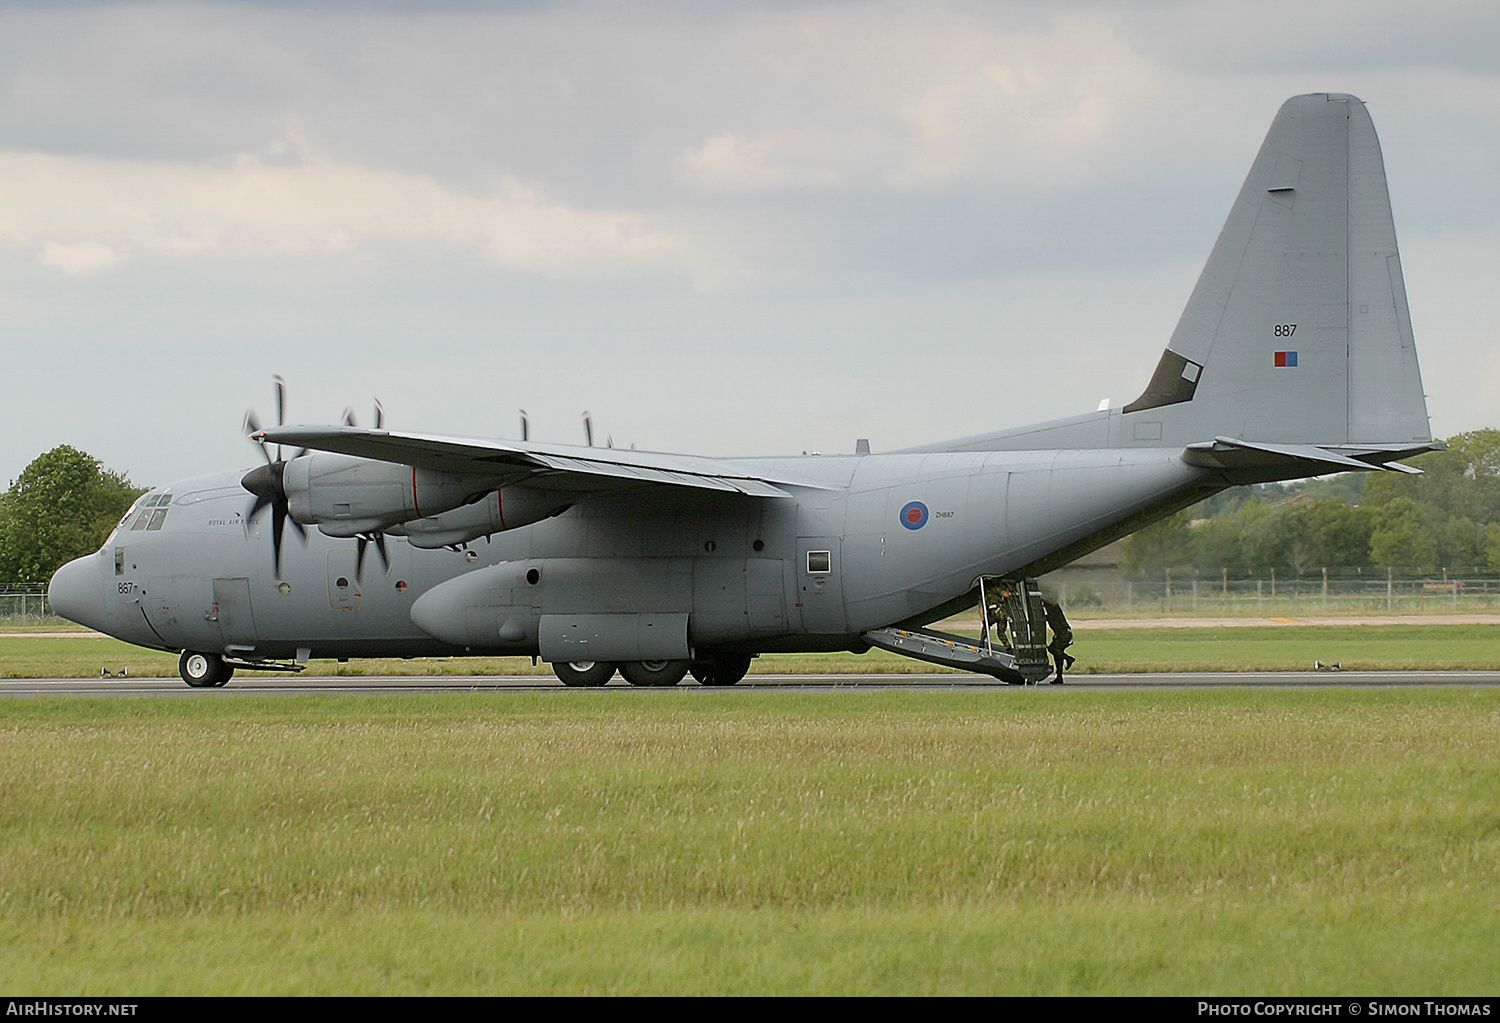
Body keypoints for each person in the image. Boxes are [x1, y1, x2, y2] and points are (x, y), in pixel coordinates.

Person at [1040, 596, 1075, 683]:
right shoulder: (1054, 612)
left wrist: (1041, 600)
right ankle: (1059, 677)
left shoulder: (1054, 613)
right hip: (1062, 634)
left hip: (1063, 634)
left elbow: (1050, 609)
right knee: (1057, 656)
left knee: (1053, 649)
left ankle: (1068, 658)